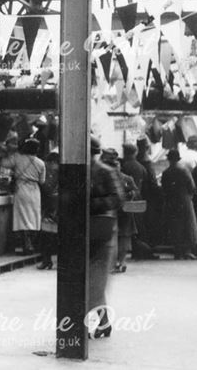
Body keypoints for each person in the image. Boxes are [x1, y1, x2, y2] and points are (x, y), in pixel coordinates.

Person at [89, 138, 124, 338]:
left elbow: (117, 199)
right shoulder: (81, 172)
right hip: (85, 230)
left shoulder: (105, 172)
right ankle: (102, 322)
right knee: (91, 281)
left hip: (101, 231)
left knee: (95, 280)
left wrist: (91, 203)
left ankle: (95, 323)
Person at [0, 137, 46, 254]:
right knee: (34, 217)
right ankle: (31, 244)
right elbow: (42, 181)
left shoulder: (17, 157)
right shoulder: (41, 163)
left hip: (21, 189)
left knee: (22, 217)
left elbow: (4, 163)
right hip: (35, 191)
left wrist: (5, 153)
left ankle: (26, 244)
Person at [102, 148, 137, 274]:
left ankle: (120, 262)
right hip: (119, 211)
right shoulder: (124, 178)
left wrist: (132, 193)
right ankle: (119, 262)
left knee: (121, 237)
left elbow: (135, 192)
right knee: (121, 237)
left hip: (120, 211)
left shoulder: (126, 179)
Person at [161, 148, 197, 259]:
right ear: (178, 159)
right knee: (188, 225)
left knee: (175, 226)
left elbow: (164, 189)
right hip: (184, 200)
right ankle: (187, 251)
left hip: (171, 201)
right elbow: (192, 186)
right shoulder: (184, 170)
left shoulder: (166, 172)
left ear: (169, 159)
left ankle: (177, 251)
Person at [120, 143, 155, 260]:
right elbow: (148, 184)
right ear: (135, 152)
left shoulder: (122, 166)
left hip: (124, 200)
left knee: (127, 228)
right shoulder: (140, 167)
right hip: (137, 199)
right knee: (138, 227)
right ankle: (141, 252)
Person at [135, 137, 164, 250]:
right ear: (147, 147)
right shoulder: (147, 162)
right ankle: (148, 248)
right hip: (149, 198)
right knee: (149, 223)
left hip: (139, 196)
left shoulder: (136, 160)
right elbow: (153, 183)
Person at [37, 151, 59, 270]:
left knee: (47, 236)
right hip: (52, 208)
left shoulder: (53, 173)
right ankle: (47, 261)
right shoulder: (55, 172)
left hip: (53, 208)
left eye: (48, 163)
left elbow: (47, 188)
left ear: (53, 163)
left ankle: (47, 261)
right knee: (48, 236)